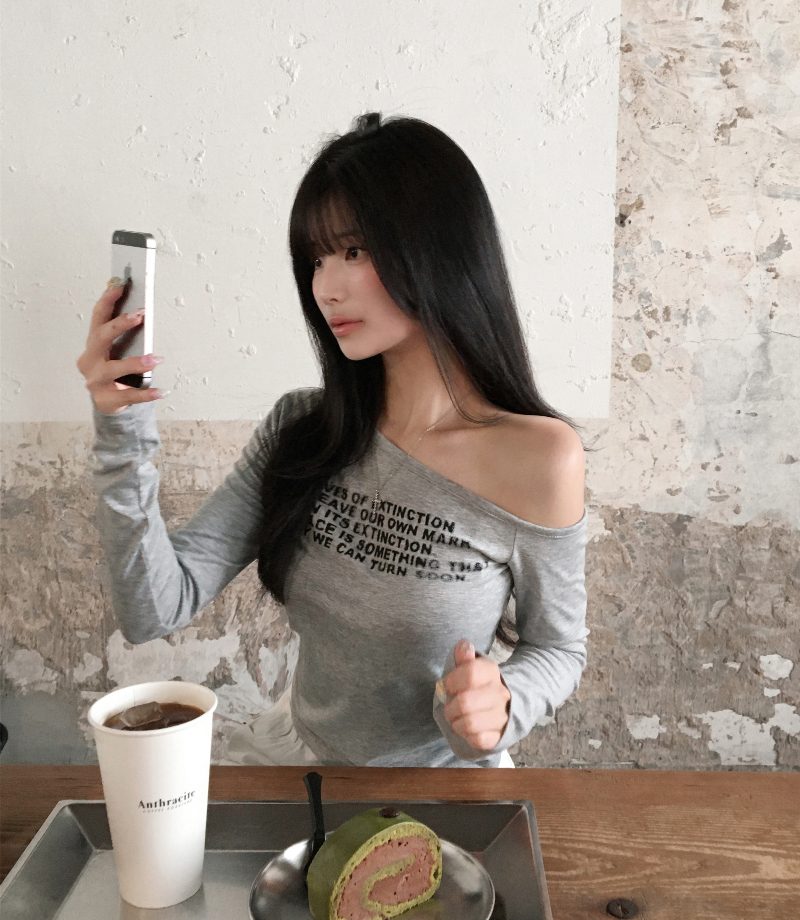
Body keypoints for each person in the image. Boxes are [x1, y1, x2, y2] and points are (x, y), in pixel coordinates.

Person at [77, 112, 590, 768]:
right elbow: (154, 607)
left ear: (438, 247)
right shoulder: (303, 430)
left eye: (354, 251)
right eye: (316, 259)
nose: (325, 287)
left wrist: (505, 700)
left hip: (443, 794)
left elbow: (558, 648)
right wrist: (121, 427)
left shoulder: (539, 458)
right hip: (297, 767)